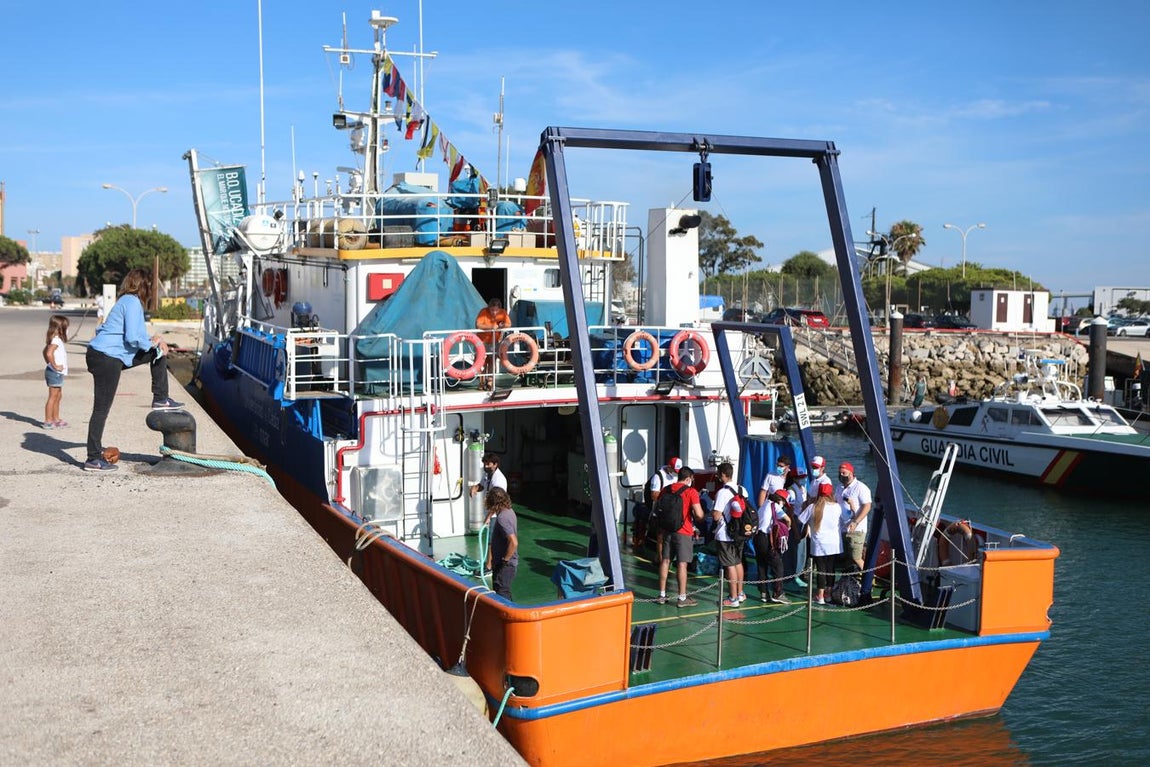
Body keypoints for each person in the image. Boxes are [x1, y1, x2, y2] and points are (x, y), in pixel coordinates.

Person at [84, 269, 184, 473]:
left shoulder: (126, 301)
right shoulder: (131, 302)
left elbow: (136, 336)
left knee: (158, 352)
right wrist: (151, 343)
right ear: (144, 286)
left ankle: (160, 397)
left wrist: (154, 343)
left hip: (109, 355)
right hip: (106, 357)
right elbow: (132, 338)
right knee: (101, 409)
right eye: (150, 287)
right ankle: (93, 458)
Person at [656, 465, 704, 608]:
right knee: (682, 564)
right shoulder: (691, 492)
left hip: (667, 529)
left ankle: (662, 595)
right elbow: (699, 514)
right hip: (683, 531)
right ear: (688, 478)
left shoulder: (667, 489)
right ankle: (682, 598)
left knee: (665, 561)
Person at [712, 463, 747, 607]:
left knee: (729, 565)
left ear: (722, 475)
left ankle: (733, 599)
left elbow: (716, 516)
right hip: (739, 533)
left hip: (725, 534)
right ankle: (740, 593)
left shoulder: (722, 492)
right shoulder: (742, 489)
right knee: (738, 562)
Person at [808, 482, 844, 605]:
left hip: (818, 544)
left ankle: (820, 595)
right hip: (834, 543)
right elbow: (847, 517)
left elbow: (800, 520)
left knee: (821, 569)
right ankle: (828, 594)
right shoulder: (837, 507)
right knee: (831, 568)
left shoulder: (813, 507)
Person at [754, 489, 791, 603]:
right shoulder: (775, 506)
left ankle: (764, 593)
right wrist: (787, 528)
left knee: (762, 565)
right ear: (780, 499)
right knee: (778, 565)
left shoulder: (765, 504)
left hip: (757, 538)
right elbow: (787, 519)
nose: (783, 505)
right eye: (784, 502)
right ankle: (778, 592)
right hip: (766, 539)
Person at [836, 461, 873, 572]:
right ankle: (847, 581)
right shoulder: (839, 487)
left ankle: (868, 582)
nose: (841, 475)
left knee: (856, 557)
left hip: (856, 530)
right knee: (847, 557)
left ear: (851, 474)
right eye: (840, 473)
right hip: (842, 528)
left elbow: (867, 506)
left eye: (844, 473)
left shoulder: (861, 487)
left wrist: (855, 522)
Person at [483, 487, 518, 600]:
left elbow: (513, 542)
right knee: (503, 592)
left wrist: (504, 561)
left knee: (502, 593)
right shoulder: (509, 512)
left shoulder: (502, 518)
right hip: (505, 563)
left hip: (505, 565)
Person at [42, 314, 70, 429]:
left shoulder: (55, 340)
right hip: (55, 372)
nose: (67, 330)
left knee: (58, 395)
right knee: (53, 396)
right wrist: (54, 365)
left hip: (56, 373)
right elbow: (48, 353)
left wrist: (49, 364)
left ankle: (56, 419)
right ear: (60, 329)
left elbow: (45, 352)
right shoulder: (56, 341)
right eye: (66, 327)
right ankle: (48, 421)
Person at [475, 297, 511, 387]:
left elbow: (509, 324)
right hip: (482, 341)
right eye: (492, 310)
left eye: (496, 310)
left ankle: (490, 381)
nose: (494, 312)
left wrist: (502, 325)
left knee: (492, 360)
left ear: (499, 309)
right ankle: (481, 382)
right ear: (488, 308)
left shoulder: (503, 313)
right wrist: (491, 327)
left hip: (494, 341)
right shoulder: (483, 312)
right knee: (481, 361)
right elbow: (478, 325)